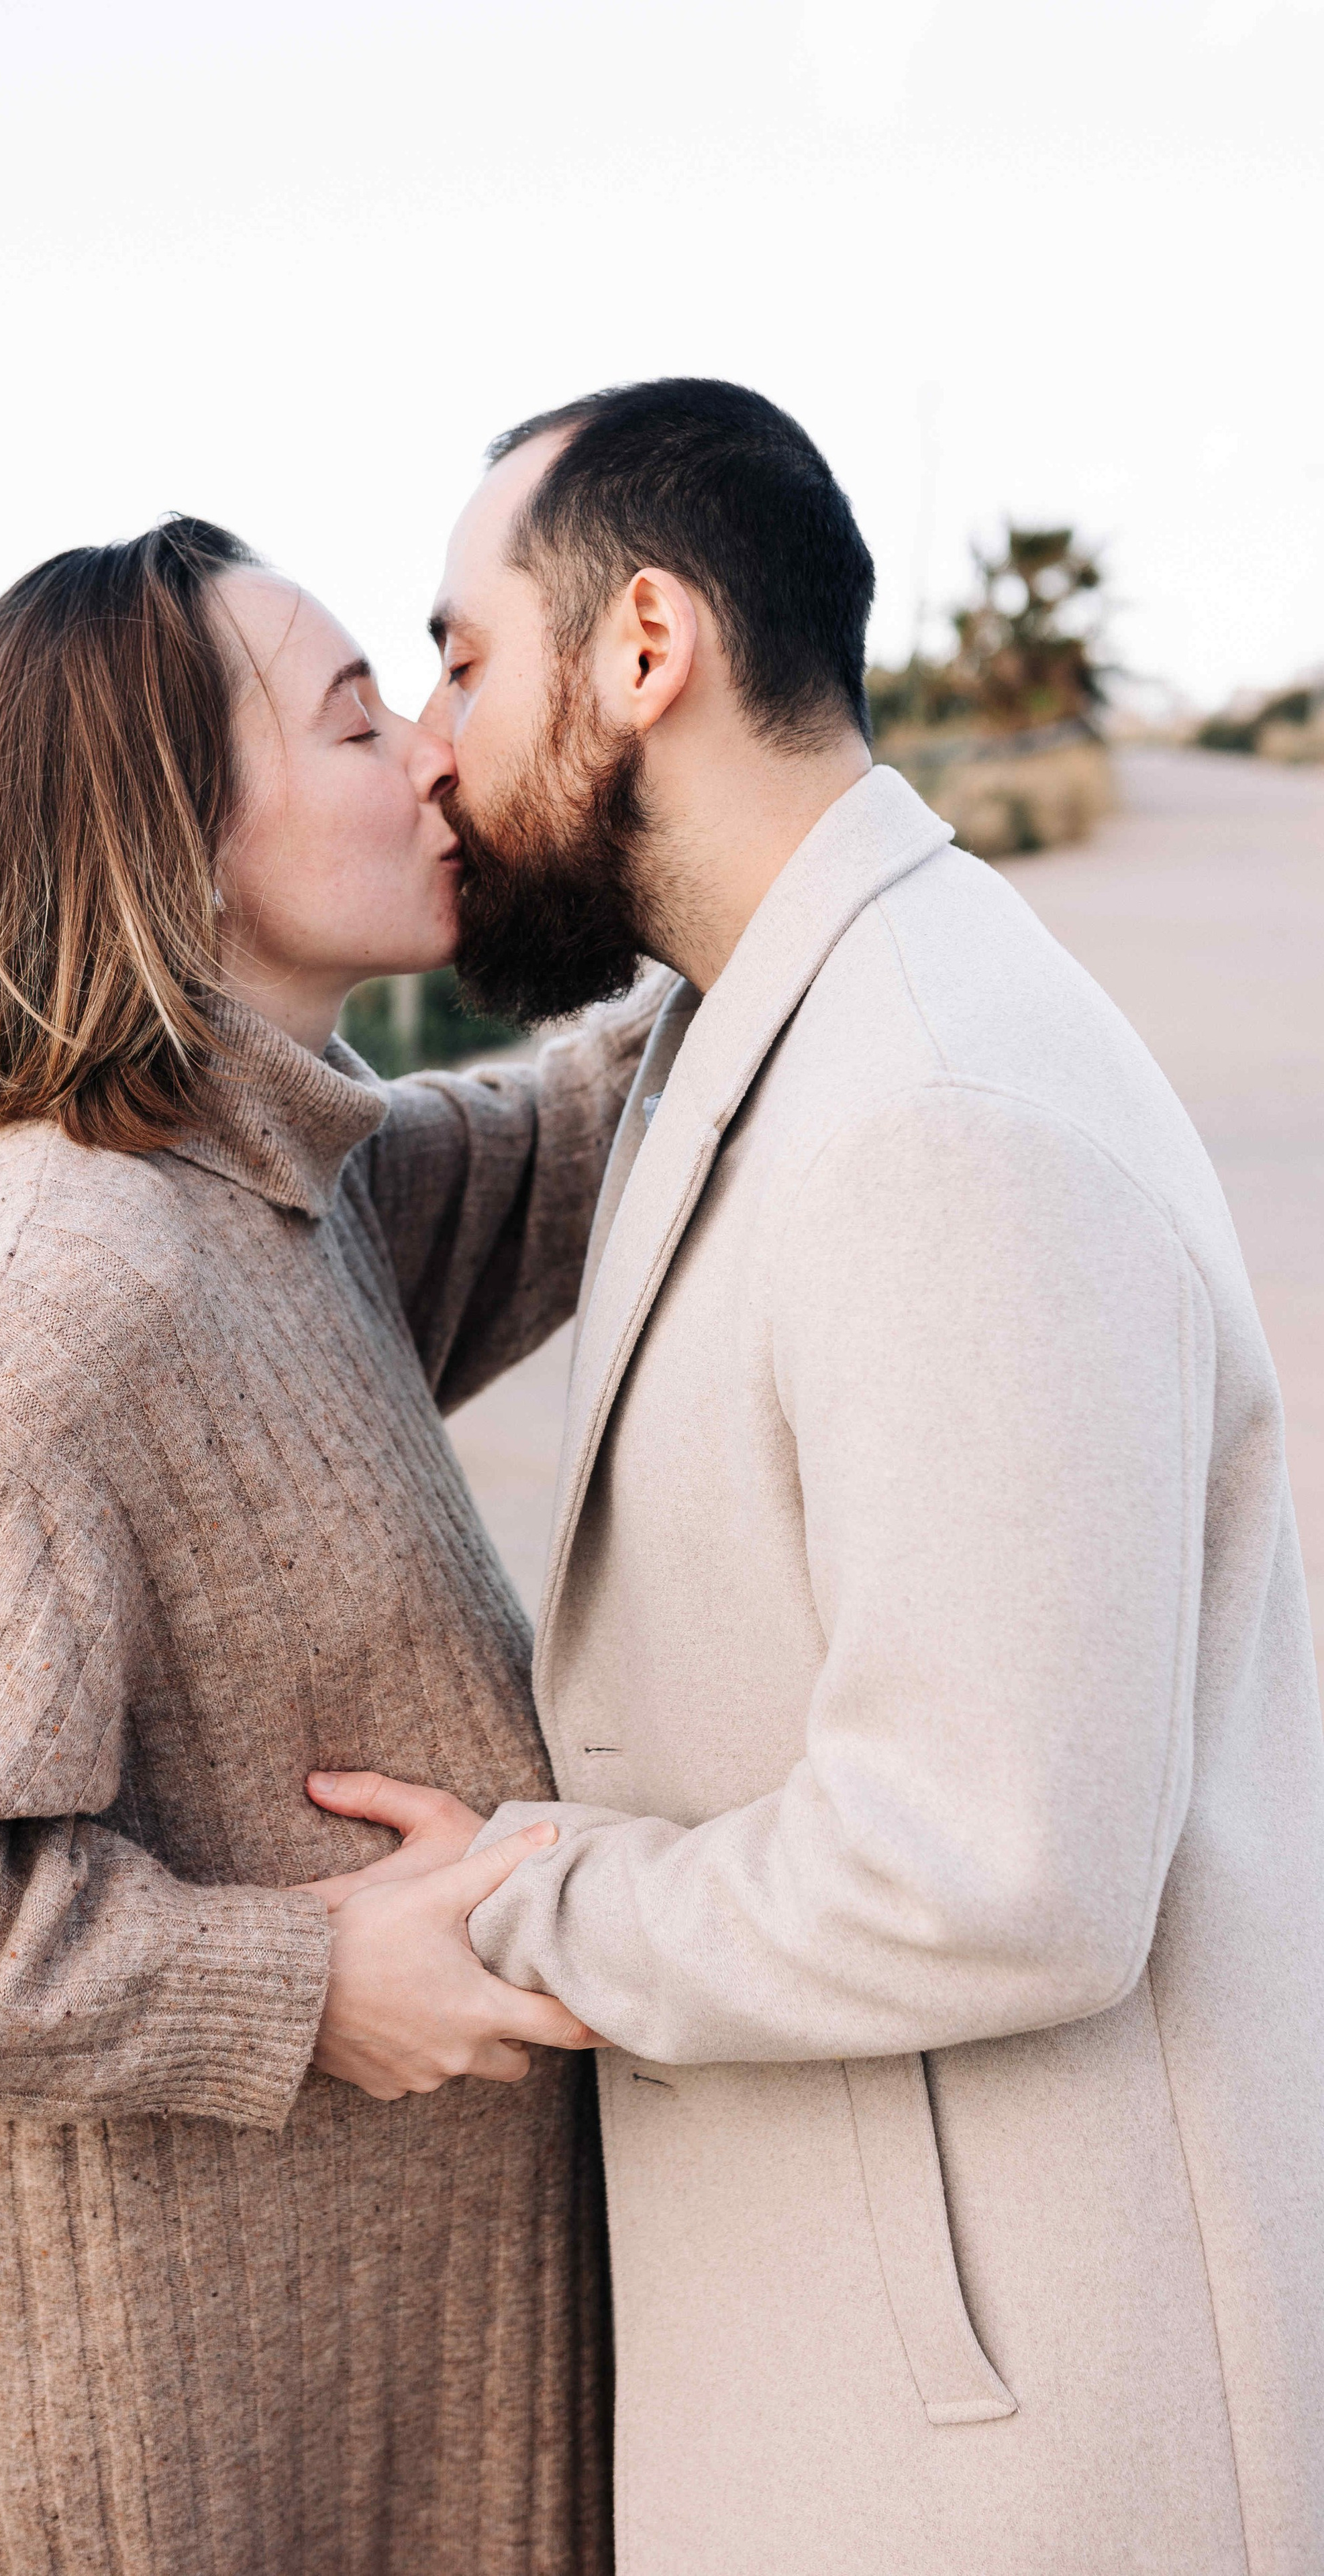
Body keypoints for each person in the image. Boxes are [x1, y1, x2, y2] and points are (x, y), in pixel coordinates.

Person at [308, 380, 1324, 2575]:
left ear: (645, 648)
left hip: (1018, 2427)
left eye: (466, 657)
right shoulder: (764, 1016)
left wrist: (517, 1900)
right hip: (878, 2353)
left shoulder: (938, 1113)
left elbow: (998, 1864)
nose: (431, 746)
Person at [0, 516, 656, 2574]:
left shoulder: (280, 1188)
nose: (432, 759)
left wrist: (787, 856)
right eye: (355, 717)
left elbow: (563, 1142)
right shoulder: (71, 1283)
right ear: (174, 833)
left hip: (308, 2391)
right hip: (147, 2460)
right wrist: (297, 1978)